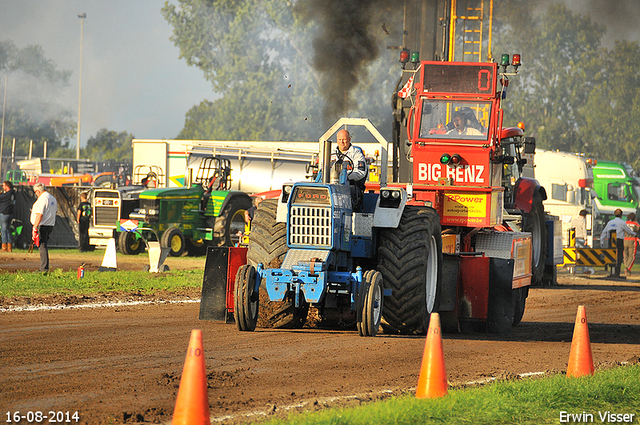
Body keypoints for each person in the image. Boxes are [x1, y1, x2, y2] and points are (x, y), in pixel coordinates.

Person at [331, 129, 368, 210]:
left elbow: (360, 173)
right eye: (339, 139)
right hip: (331, 186)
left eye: (344, 139)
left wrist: (344, 177)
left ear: (349, 139)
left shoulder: (356, 154)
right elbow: (322, 168)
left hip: (349, 187)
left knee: (347, 193)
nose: (342, 142)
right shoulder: (329, 153)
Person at [600, 208, 636, 278]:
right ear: (621, 215)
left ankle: (612, 272)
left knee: (611, 256)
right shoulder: (622, 222)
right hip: (619, 241)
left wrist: (602, 241)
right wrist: (634, 234)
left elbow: (604, 232)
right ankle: (617, 273)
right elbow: (628, 231)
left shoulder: (610, 222)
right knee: (619, 257)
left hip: (610, 241)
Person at [30, 183, 58, 273]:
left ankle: (44, 268)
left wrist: (35, 228)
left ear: (38, 191)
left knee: (42, 246)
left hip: (42, 225)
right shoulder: (52, 198)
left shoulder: (42, 199)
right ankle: (44, 267)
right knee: (43, 245)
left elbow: (39, 214)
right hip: (50, 224)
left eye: (35, 192)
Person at [570, 209, 595, 274]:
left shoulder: (574, 220)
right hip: (581, 238)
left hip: (574, 239)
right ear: (584, 215)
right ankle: (585, 269)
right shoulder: (583, 221)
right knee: (584, 254)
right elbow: (584, 230)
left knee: (574, 254)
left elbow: (571, 229)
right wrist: (586, 239)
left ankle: (573, 269)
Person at [0, 180, 16, 252]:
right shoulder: (13, 194)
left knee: (3, 230)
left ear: (7, 186)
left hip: (4, 213)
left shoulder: (7, 194)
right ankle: (9, 247)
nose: (3, 187)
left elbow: (1, 197)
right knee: (8, 230)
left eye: (4, 186)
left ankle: (4, 247)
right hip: (10, 213)